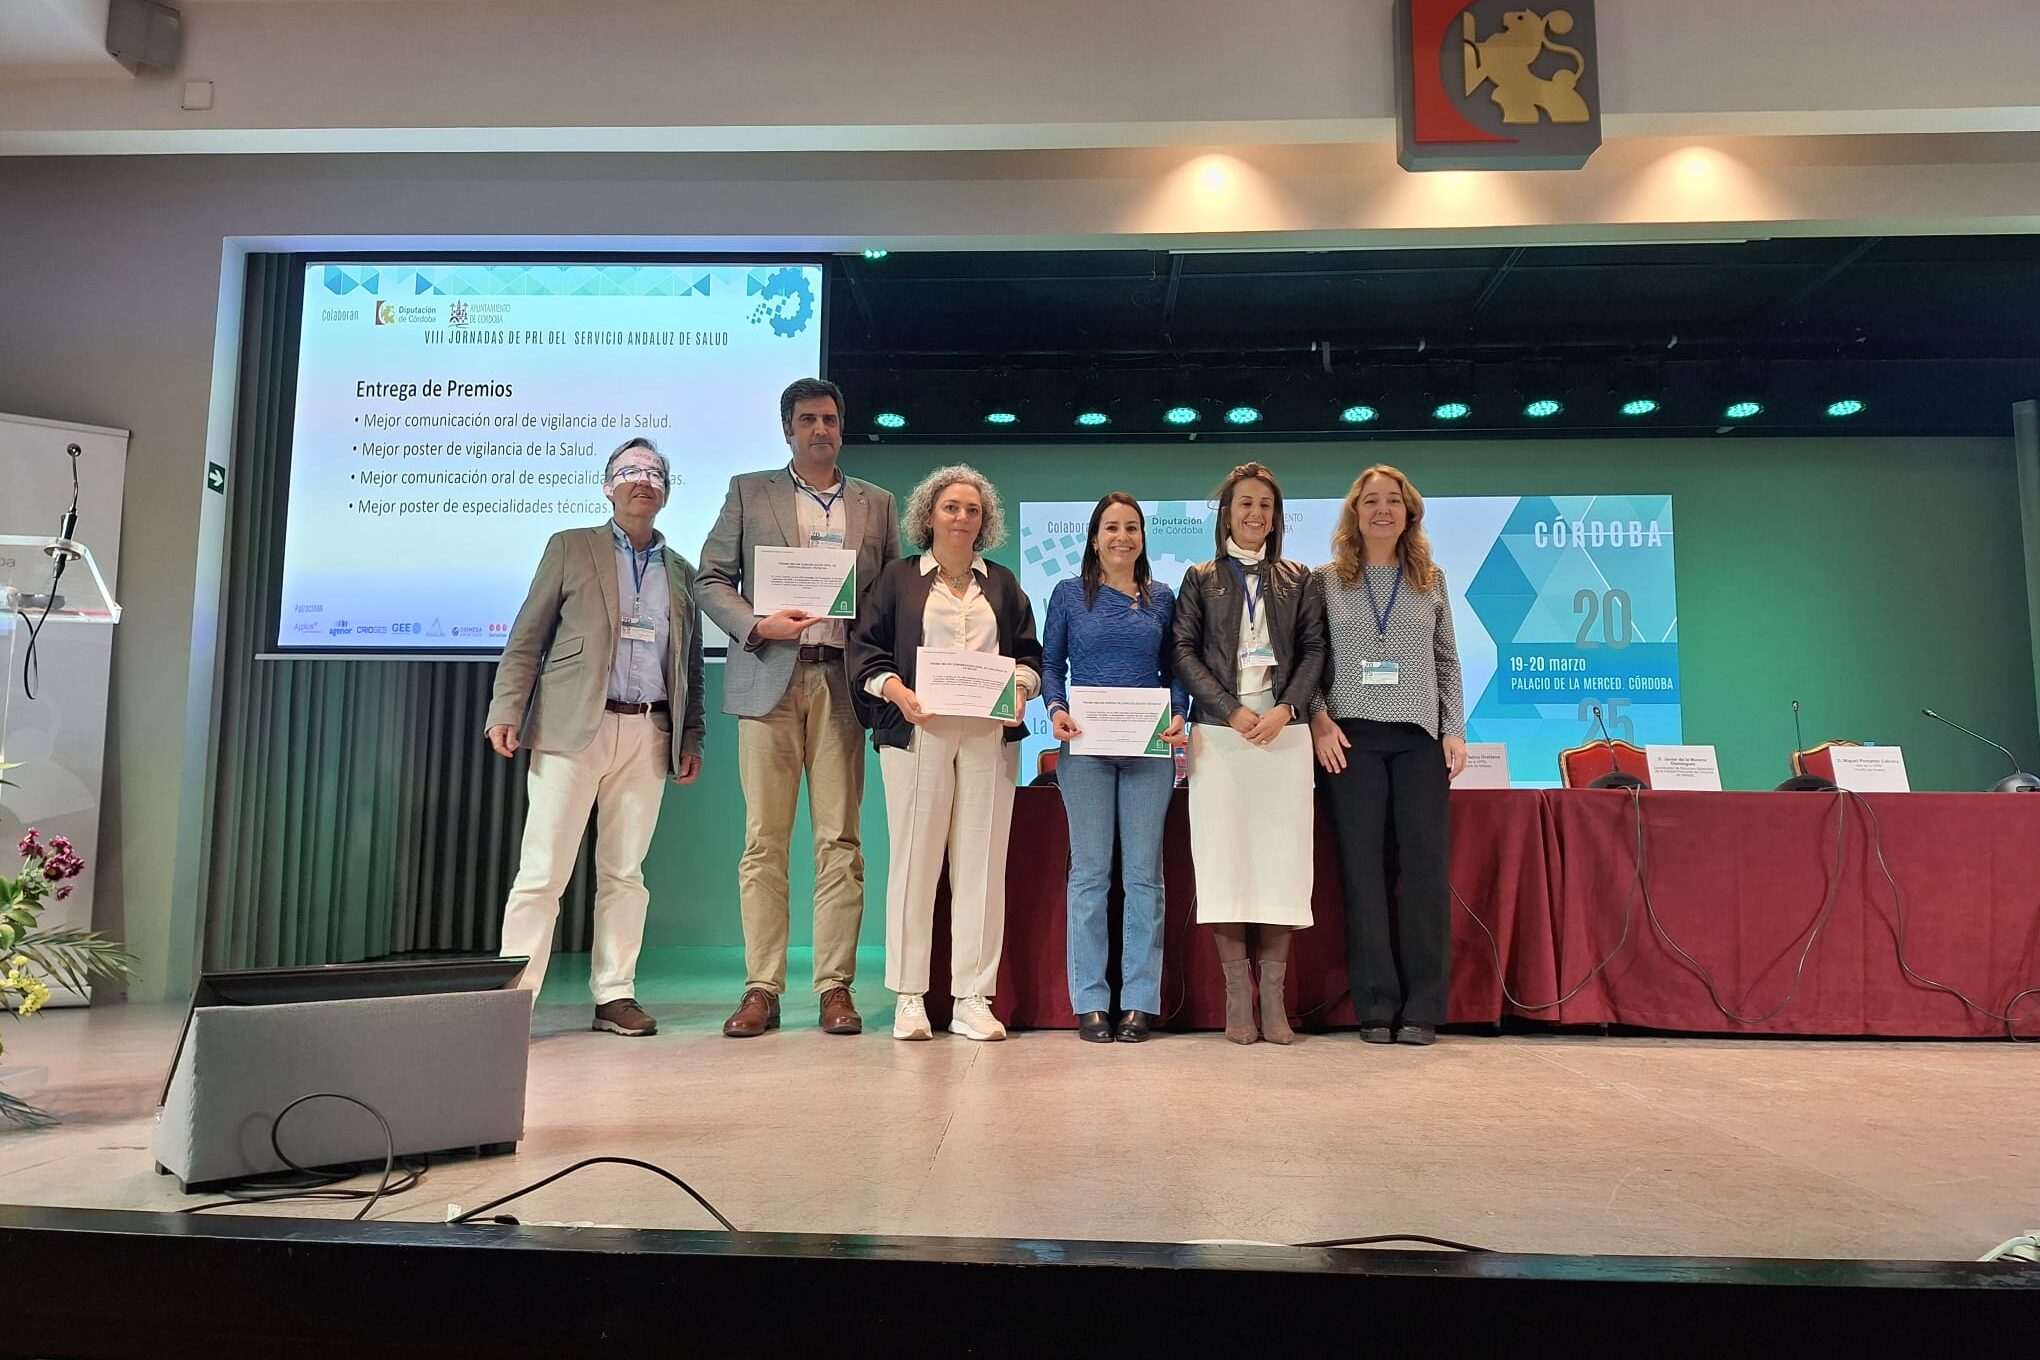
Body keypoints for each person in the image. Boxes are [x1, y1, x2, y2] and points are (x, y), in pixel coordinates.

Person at [696, 377, 901, 1039]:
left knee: (841, 840)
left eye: (831, 419)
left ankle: (835, 986)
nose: (821, 429)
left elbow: (890, 598)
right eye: (808, 419)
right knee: (764, 841)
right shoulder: (748, 491)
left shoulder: (876, 503)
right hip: (768, 678)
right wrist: (757, 623)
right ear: (788, 429)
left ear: (841, 427)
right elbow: (709, 579)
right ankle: (762, 987)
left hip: (841, 683)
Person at [485, 436, 705, 1036]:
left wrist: (691, 735)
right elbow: (527, 636)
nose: (643, 480)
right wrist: (507, 707)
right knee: (542, 872)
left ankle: (615, 993)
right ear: (608, 487)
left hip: (649, 731)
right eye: (630, 471)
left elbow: (688, 665)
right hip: (571, 728)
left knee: (625, 873)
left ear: (666, 493)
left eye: (655, 473)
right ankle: (514, 1001)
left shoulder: (682, 572)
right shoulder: (570, 546)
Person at [849, 465, 1041, 1042]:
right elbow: (866, 650)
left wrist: (1021, 690)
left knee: (981, 865)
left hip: (988, 736)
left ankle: (971, 998)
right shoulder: (897, 580)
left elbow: (1029, 656)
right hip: (917, 732)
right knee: (915, 863)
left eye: (972, 510)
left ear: (985, 522)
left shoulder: (1002, 584)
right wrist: (897, 692)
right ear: (928, 515)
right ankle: (910, 996)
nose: (962, 517)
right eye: (951, 507)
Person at [1309, 465, 1466, 1046]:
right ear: (1355, 512)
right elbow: (1311, 658)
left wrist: (1454, 729)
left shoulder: (1430, 578)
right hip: (1349, 741)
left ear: (1409, 512)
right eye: (1371, 500)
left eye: (1393, 501)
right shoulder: (1326, 581)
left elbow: (1446, 659)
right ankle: (1375, 1005)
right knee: (1363, 873)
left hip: (1419, 740)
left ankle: (1423, 1007)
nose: (1382, 510)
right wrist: (1318, 718)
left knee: (1424, 872)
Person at [1171, 462, 1326, 1045]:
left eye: (1265, 504)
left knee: (1282, 864)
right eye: (1245, 503)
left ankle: (1275, 1000)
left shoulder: (1299, 578)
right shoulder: (1200, 578)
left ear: (1276, 516)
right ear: (1226, 513)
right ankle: (1238, 997)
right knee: (1225, 861)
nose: (1255, 513)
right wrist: (1228, 708)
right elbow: (1182, 651)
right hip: (1221, 735)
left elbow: (1315, 649)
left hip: (1284, 736)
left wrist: (1287, 708)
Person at [1041, 494, 1187, 1043]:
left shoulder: (1163, 597)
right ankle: (1091, 1001)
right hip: (1086, 749)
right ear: (1094, 538)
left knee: (1145, 876)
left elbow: (1175, 670)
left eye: (1131, 527)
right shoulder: (1068, 594)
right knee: (1090, 875)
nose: (1122, 536)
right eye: (1111, 527)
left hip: (1149, 750)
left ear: (1142, 537)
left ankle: (1139, 1002)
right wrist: (1055, 709)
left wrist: (1180, 713)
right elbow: (1051, 664)